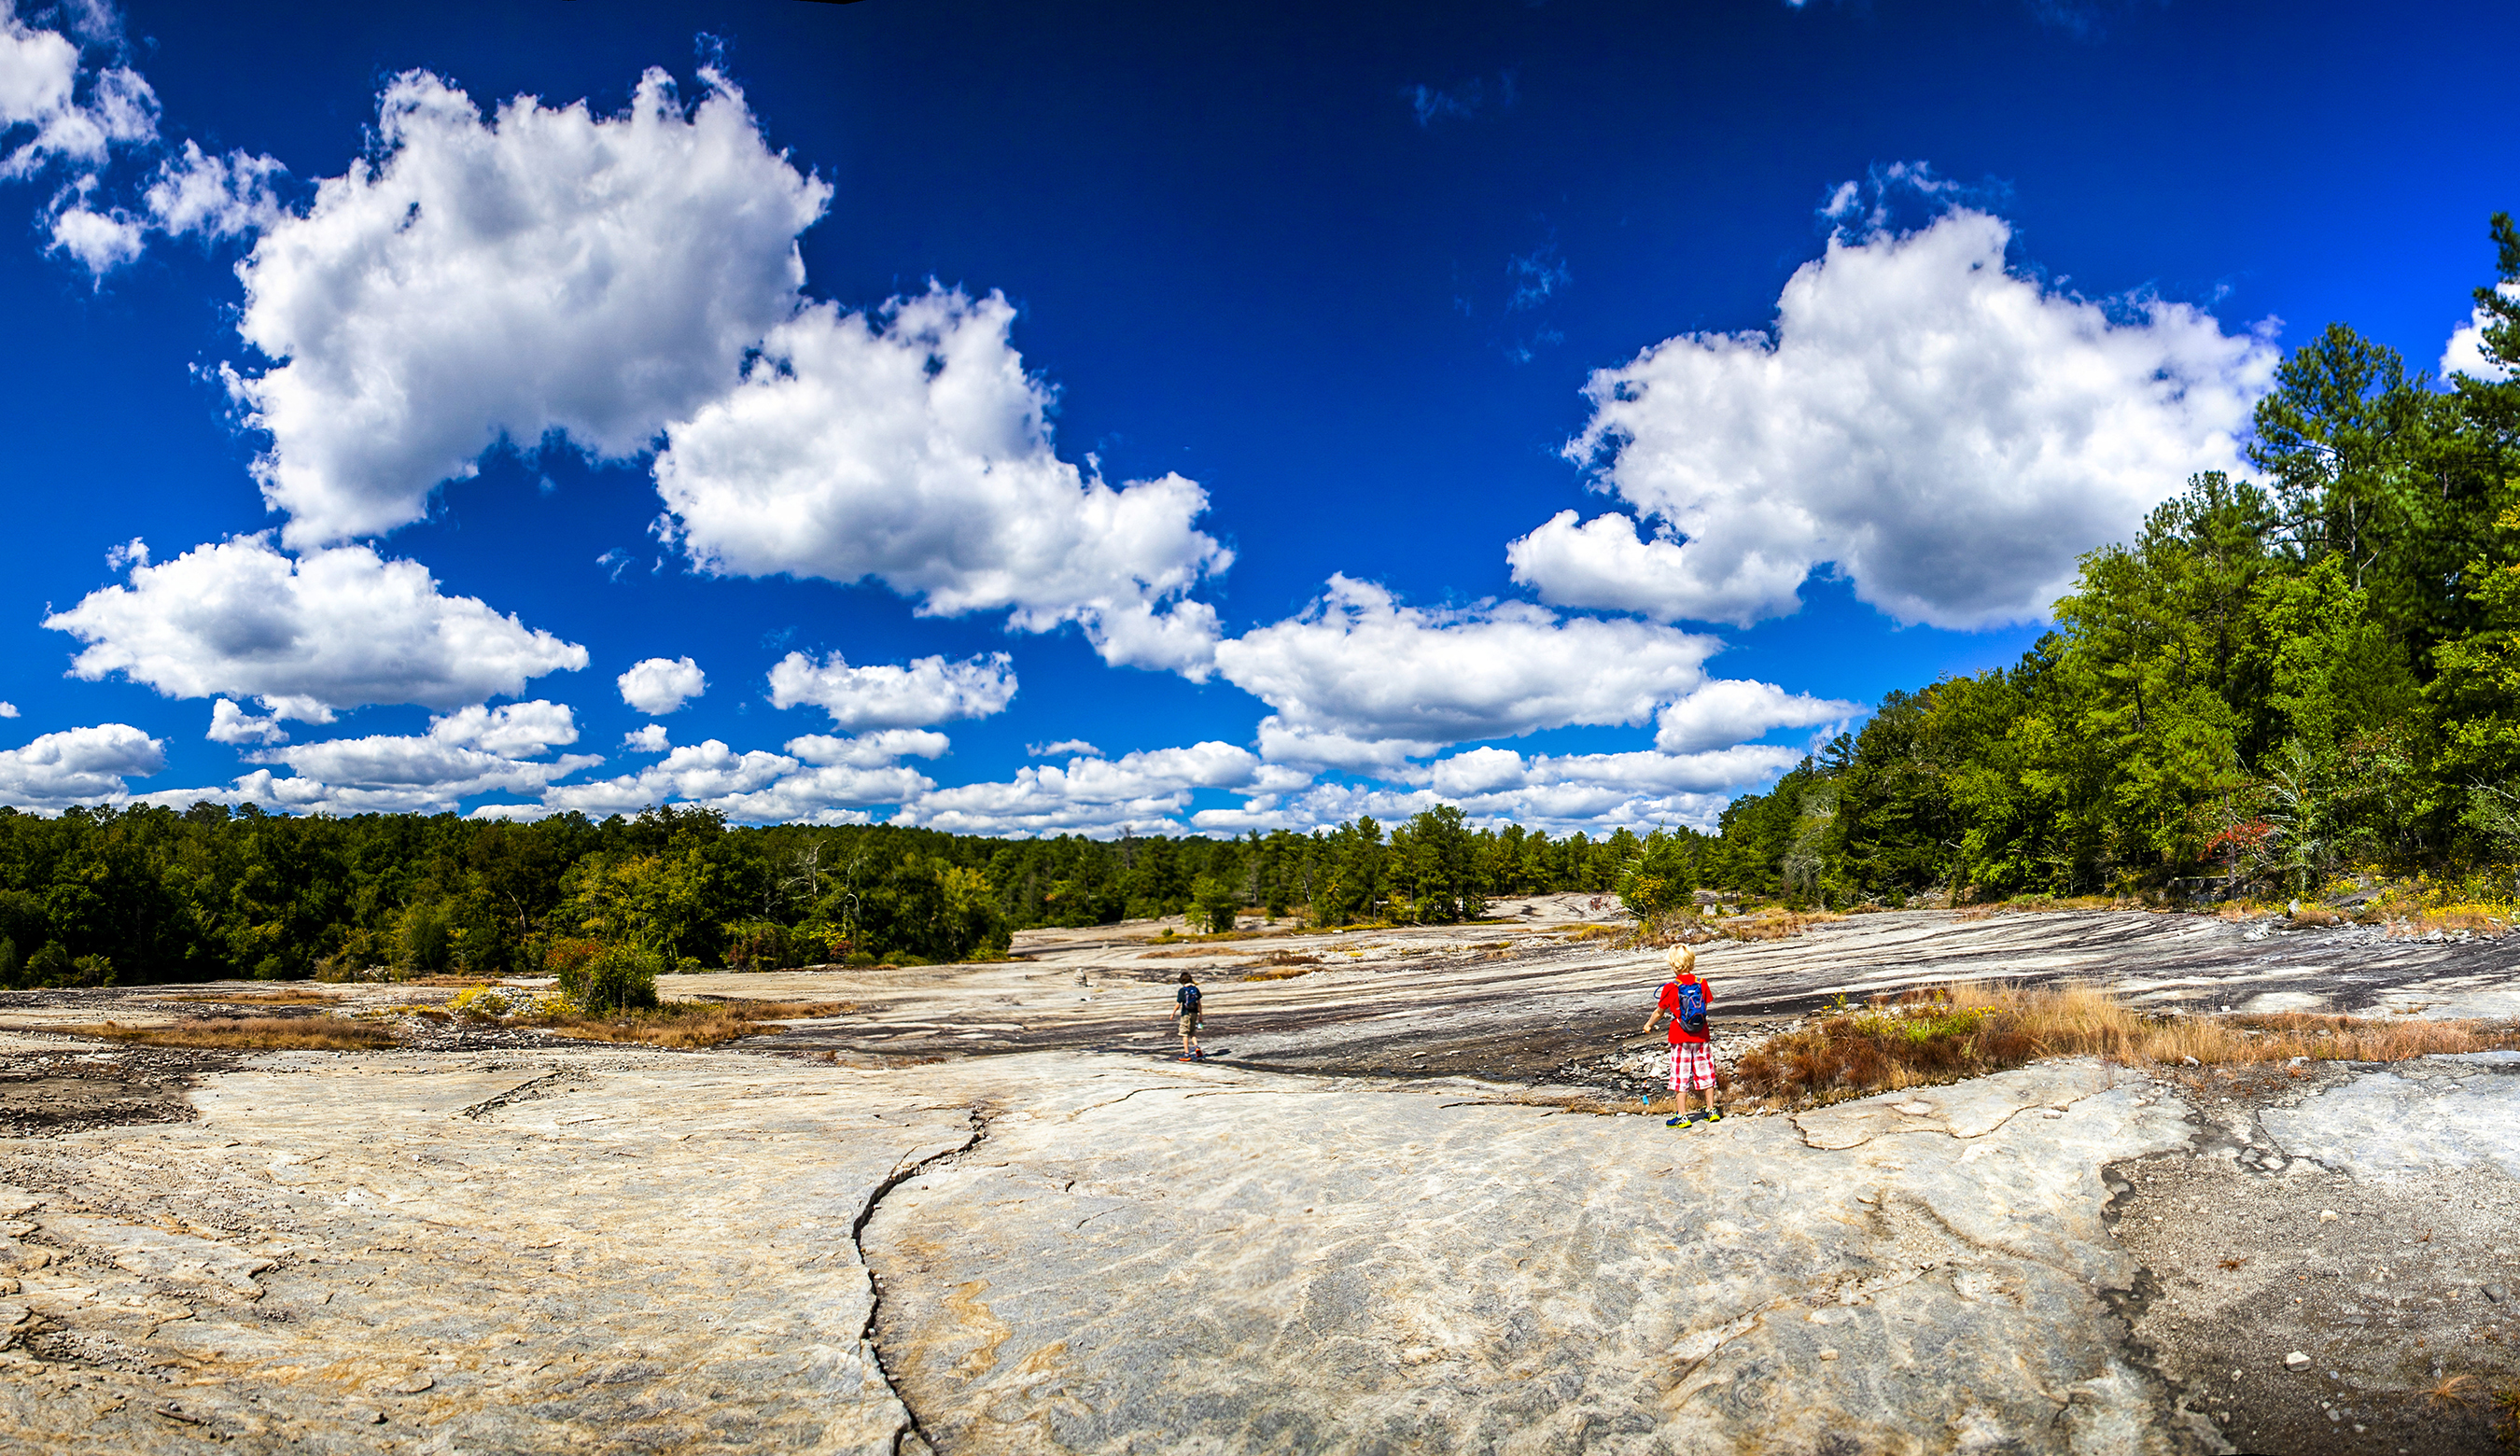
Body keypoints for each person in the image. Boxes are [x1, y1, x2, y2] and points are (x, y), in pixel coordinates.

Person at [1642, 946, 1719, 1127]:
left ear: (1673, 965)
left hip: (1680, 1037)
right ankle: (1711, 1110)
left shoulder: (1670, 988)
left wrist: (1648, 1025)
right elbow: (1704, 1010)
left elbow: (1659, 1011)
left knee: (1680, 1076)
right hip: (1701, 1035)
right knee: (1706, 1072)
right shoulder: (1702, 983)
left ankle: (1682, 1115)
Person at [1173, 972, 1205, 1060]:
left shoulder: (1182, 991)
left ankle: (1187, 1054)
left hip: (1186, 1014)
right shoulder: (1195, 989)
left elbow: (1178, 1004)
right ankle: (1197, 1047)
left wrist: (1173, 1013)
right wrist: (1200, 1016)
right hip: (1195, 1013)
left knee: (1184, 1033)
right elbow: (1199, 1004)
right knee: (1192, 1032)